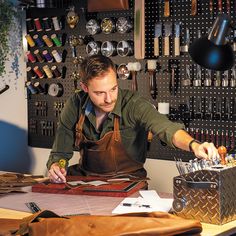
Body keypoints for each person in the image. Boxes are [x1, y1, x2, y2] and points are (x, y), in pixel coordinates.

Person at [47, 55, 219, 183]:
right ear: (85, 87)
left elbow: (166, 128)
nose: (109, 99)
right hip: (86, 181)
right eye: (99, 93)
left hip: (127, 183)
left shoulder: (134, 104)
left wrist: (194, 145)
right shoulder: (75, 104)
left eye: (113, 89)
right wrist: (57, 166)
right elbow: (60, 152)